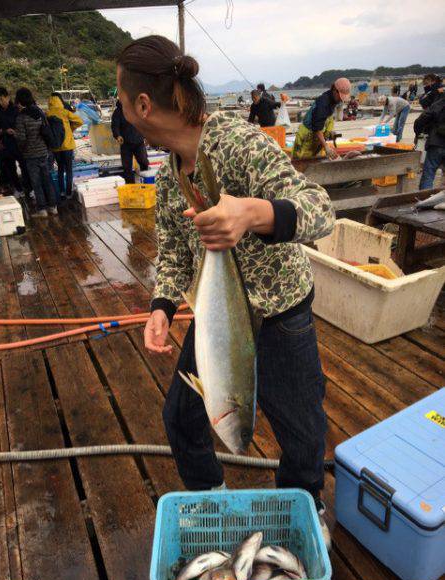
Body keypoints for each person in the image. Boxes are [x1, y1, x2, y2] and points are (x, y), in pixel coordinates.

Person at [116, 34, 335, 545]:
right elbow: (173, 249)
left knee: (301, 429)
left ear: (143, 105)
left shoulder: (237, 142)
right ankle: (209, 498)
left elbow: (318, 207)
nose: (122, 112)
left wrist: (254, 213)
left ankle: (307, 503)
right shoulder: (170, 171)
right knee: (181, 416)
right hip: (217, 321)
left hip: (281, 314)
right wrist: (163, 306)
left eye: (122, 101)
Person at [14, 87, 57, 217]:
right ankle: (53, 207)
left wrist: (21, 148)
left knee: (36, 183)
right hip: (44, 152)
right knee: (47, 179)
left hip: (30, 154)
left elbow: (21, 138)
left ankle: (42, 209)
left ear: (20, 100)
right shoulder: (40, 112)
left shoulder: (21, 117)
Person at [292, 78, 351, 159]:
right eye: (340, 96)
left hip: (316, 138)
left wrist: (329, 132)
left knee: (315, 162)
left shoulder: (333, 100)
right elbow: (317, 128)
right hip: (307, 136)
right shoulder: (323, 103)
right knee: (301, 162)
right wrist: (326, 146)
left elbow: (325, 121)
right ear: (334, 90)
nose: (341, 99)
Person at [47, 93, 83, 204]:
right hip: (67, 145)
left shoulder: (47, 114)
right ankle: (68, 193)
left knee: (60, 169)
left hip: (56, 147)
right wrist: (70, 129)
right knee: (69, 169)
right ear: (60, 101)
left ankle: (61, 192)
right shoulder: (65, 112)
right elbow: (79, 121)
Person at [0, 86, 31, 199]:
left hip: (18, 143)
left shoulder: (16, 109)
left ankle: (29, 189)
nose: (0, 102)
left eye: (1, 99)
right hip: (5, 143)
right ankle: (18, 189)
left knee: (24, 167)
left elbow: (23, 125)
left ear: (7, 97)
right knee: (11, 169)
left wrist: (16, 131)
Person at [111, 99, 149, 183]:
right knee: (127, 167)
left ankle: (146, 181)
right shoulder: (118, 112)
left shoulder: (137, 110)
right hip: (125, 143)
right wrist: (117, 136)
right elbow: (115, 126)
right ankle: (130, 186)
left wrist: (146, 137)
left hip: (139, 142)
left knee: (144, 162)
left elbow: (144, 123)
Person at [414, 94, 445, 190]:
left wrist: (418, 132)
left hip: (437, 143)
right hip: (437, 143)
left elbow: (422, 119)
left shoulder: (439, 104)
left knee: (429, 173)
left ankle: (424, 201)